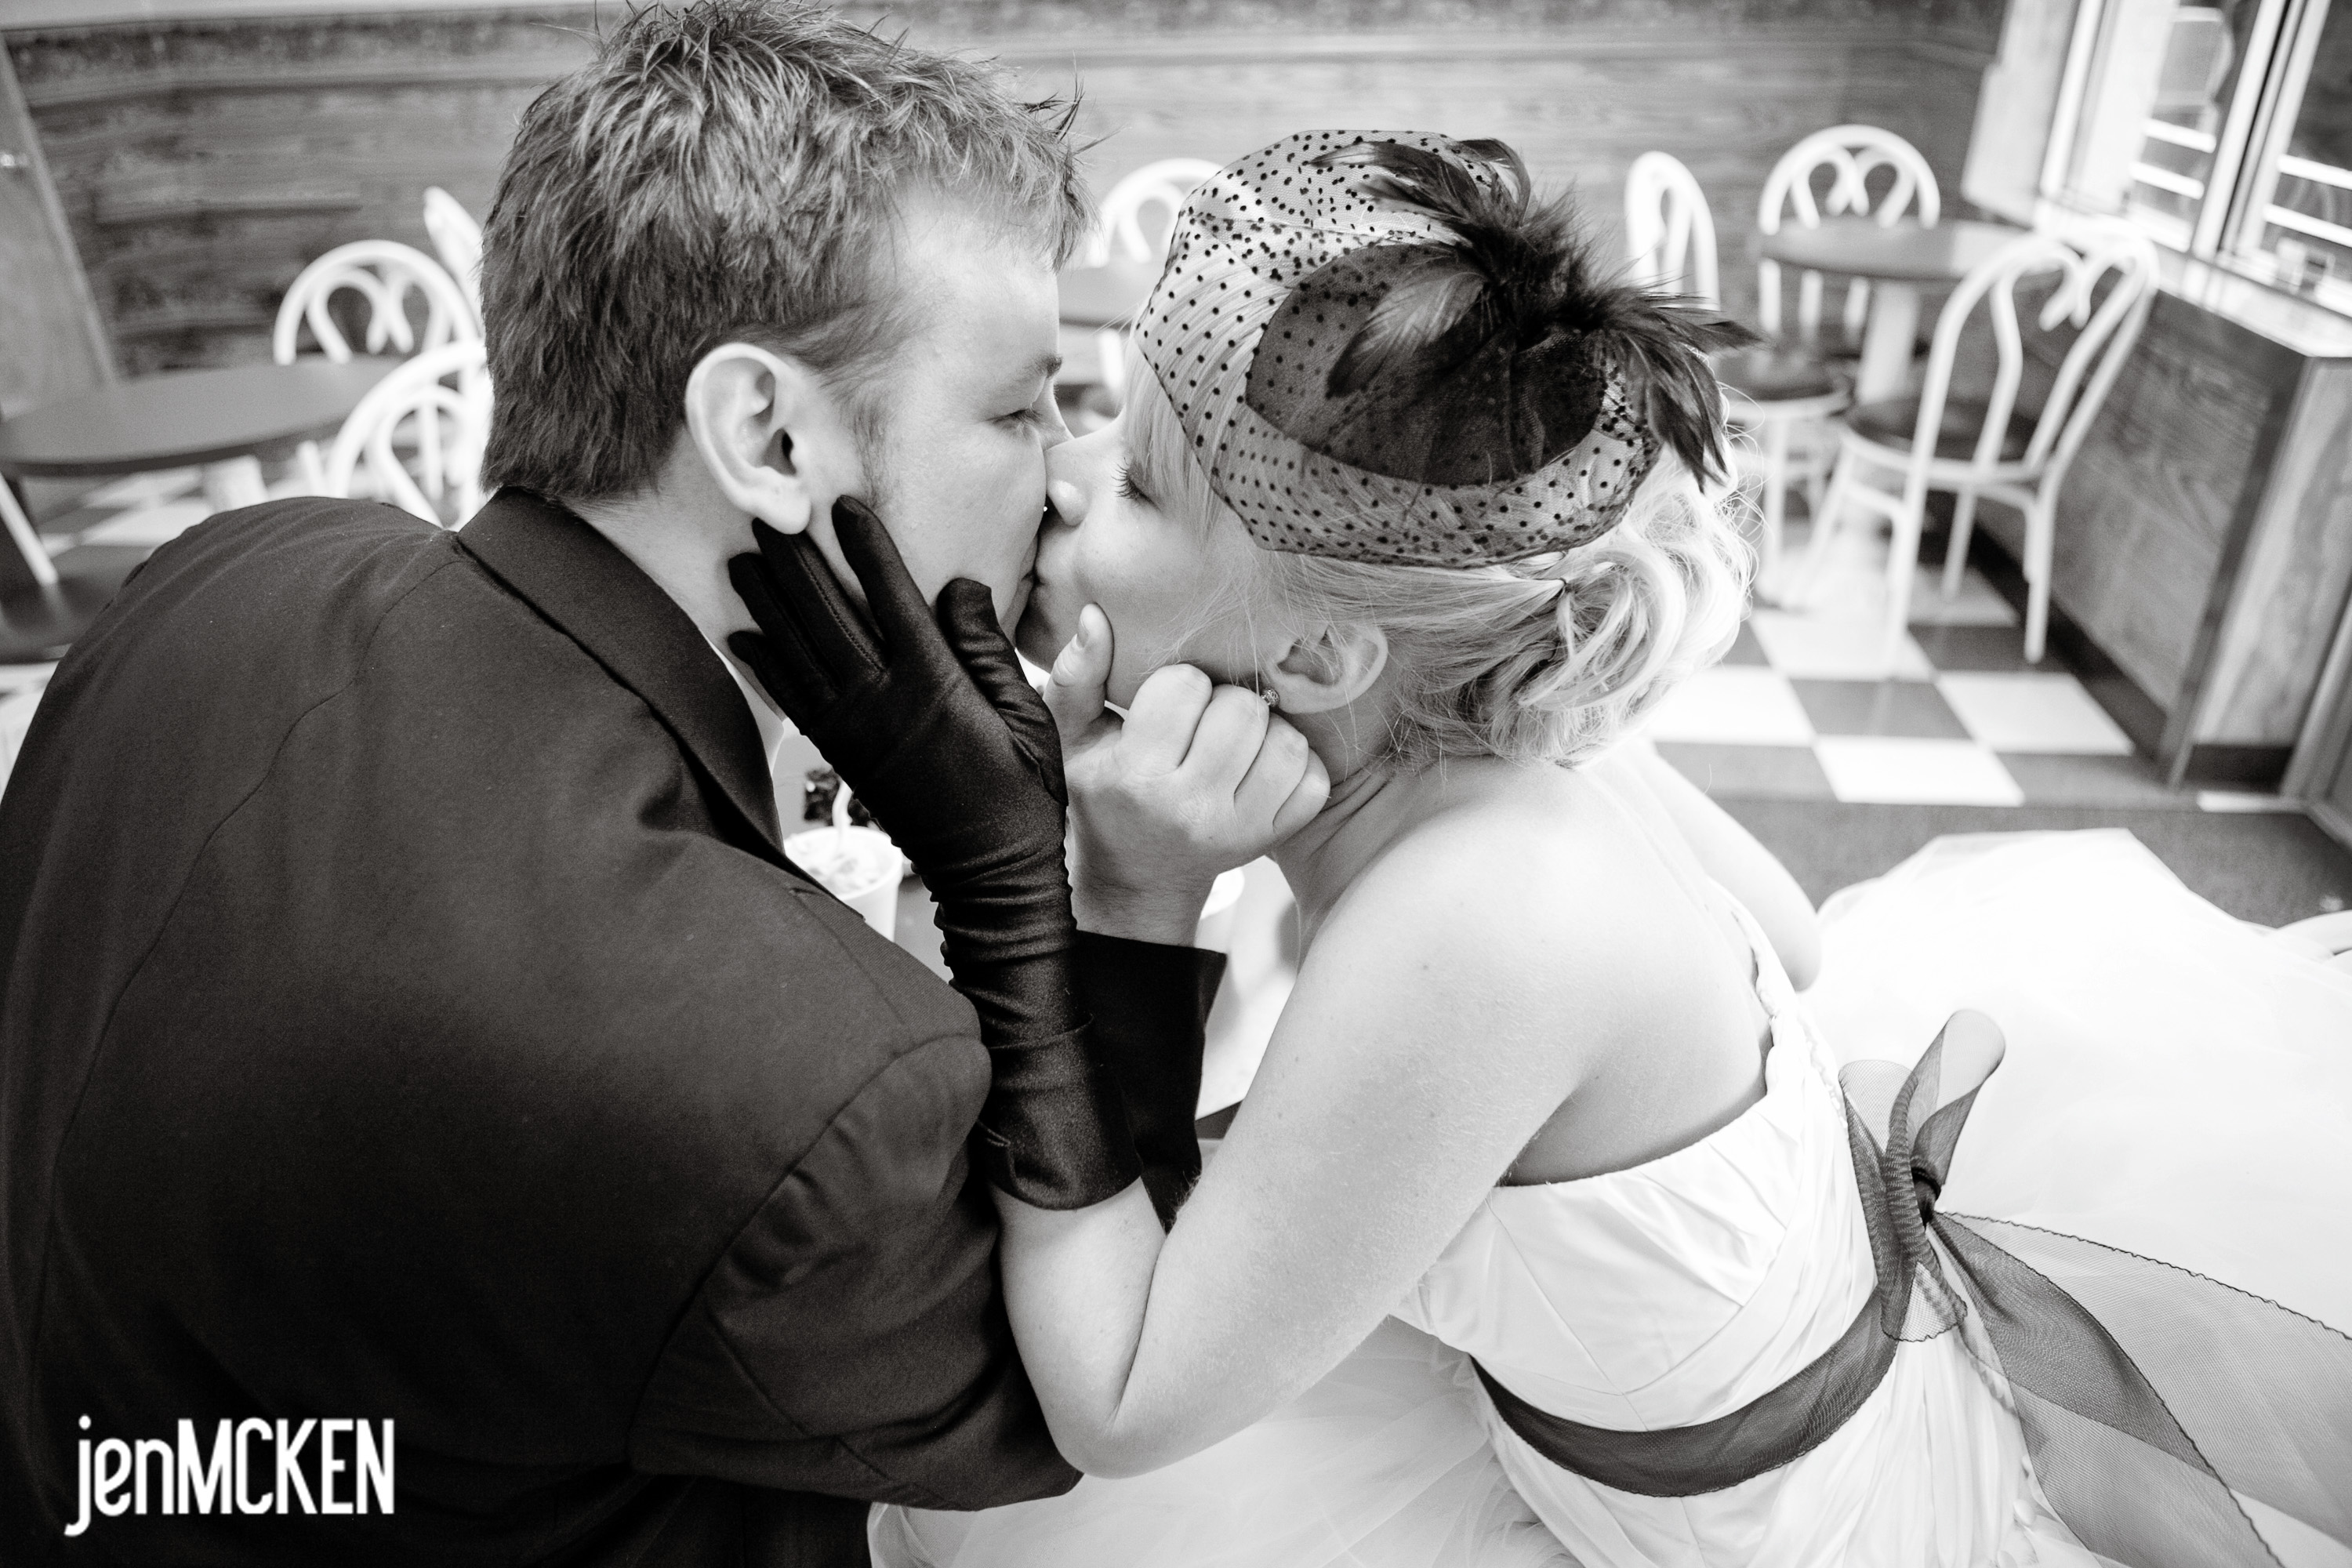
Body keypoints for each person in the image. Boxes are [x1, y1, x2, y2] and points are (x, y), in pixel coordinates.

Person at [842, 132, 2352, 1568]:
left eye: (1138, 483)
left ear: (1317, 657)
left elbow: (1119, 1404)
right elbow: (1794, 943)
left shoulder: (1477, 917)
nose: (1061, 474)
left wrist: (1129, 897)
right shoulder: (1508, 730)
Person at [0, 7, 1321, 1565]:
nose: (1063, 475)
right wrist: (1086, 899)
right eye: (1017, 408)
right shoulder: (792, 1106)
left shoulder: (227, 567)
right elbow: (1066, 1405)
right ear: (766, 433)